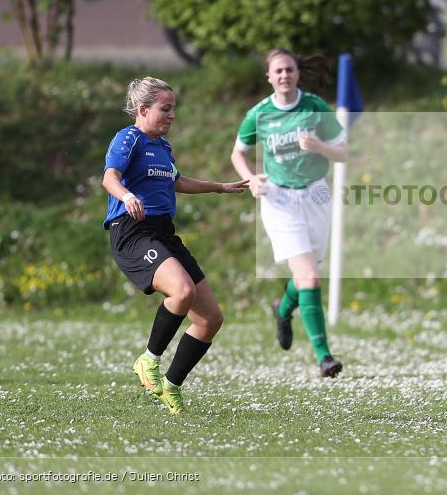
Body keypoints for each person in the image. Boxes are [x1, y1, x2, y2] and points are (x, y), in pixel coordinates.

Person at [102, 77, 248, 415]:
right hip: (133, 231)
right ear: (143, 110)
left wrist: (219, 187)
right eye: (165, 109)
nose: (172, 116)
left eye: (173, 109)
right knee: (181, 292)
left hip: (164, 232)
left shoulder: (162, 147)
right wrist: (126, 195)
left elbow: (177, 181)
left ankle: (171, 385)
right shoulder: (129, 138)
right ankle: (148, 361)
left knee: (211, 319)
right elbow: (110, 176)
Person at [230, 49, 347, 378]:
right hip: (279, 201)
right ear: (269, 76)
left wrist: (321, 148)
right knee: (309, 277)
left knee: (306, 277)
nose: (284, 75)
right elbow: (238, 152)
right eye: (278, 70)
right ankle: (324, 356)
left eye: (290, 69)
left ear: (298, 73)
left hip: (317, 195)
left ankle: (282, 310)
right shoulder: (259, 114)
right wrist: (251, 178)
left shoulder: (315, 107)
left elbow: (344, 152)